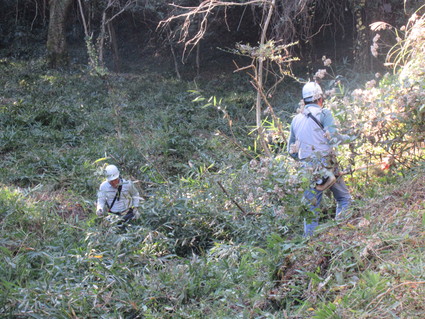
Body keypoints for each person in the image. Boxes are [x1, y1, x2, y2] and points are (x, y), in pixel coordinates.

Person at [287, 82, 352, 237]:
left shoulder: (296, 120)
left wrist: (306, 160)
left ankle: (309, 246)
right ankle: (342, 233)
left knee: (311, 211)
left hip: (306, 168)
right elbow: (334, 139)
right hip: (326, 163)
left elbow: (291, 151)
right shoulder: (324, 113)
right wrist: (351, 137)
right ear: (320, 98)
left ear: (304, 101)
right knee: (343, 198)